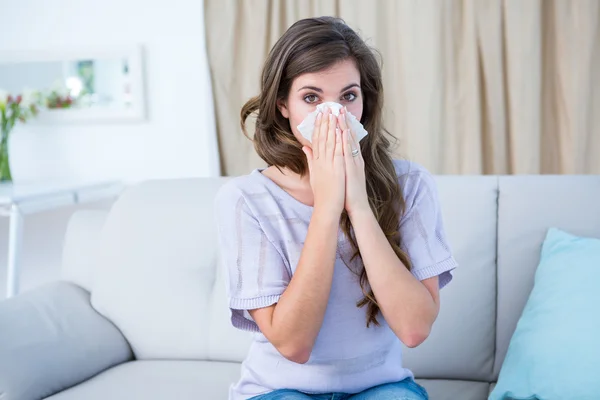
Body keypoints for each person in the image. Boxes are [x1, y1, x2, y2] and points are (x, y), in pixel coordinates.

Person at [215, 16, 457, 400]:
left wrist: (358, 205)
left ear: (365, 101)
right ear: (283, 105)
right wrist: (327, 207)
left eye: (348, 96)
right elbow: (294, 346)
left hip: (382, 386)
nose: (334, 115)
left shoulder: (411, 185)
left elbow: (415, 330)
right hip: (280, 389)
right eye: (311, 98)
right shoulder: (246, 199)